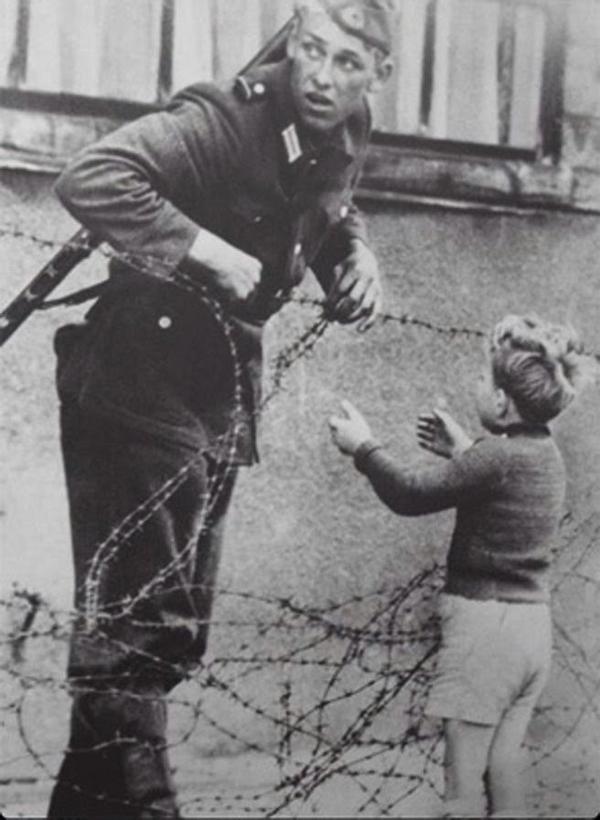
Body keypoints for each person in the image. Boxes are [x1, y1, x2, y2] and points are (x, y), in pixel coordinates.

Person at [47, 1, 395, 817]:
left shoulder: (347, 129)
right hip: (136, 387)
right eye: (311, 49)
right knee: (139, 632)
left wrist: (354, 254)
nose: (320, 75)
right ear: (294, 41)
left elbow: (332, 202)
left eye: (348, 63)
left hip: (216, 399)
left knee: (167, 633)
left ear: (377, 75)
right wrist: (206, 253)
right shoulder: (223, 116)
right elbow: (90, 176)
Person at [329, 314, 590, 818]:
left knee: (462, 783)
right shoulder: (545, 456)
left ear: (500, 401)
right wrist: (463, 450)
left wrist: (363, 447)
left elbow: (409, 494)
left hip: (484, 632)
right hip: (532, 631)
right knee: (505, 766)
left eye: (482, 379)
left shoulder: (493, 458)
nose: (476, 386)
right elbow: (504, 487)